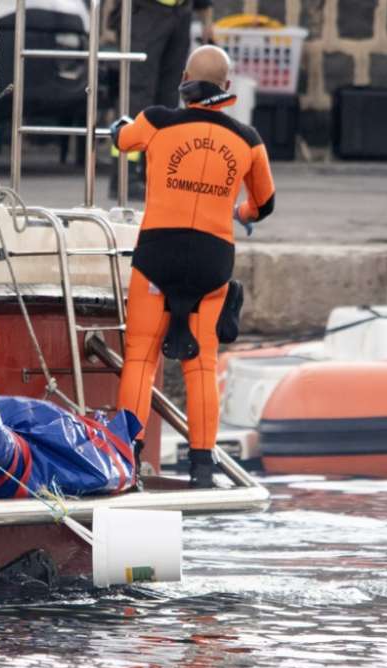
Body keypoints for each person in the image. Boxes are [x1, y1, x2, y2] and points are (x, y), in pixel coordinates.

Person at [112, 45, 274, 488]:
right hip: (211, 260)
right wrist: (241, 214)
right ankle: (203, 466)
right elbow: (265, 203)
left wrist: (119, 129)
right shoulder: (248, 140)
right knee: (202, 363)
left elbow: (121, 140)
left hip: (157, 253)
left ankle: (128, 458)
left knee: (141, 357)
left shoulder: (157, 120)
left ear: (184, 78)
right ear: (227, 86)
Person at [102, 0, 214, 198]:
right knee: (136, 95)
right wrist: (107, 19)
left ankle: (157, 172)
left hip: (180, 13)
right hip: (144, 12)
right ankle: (125, 174)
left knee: (168, 99)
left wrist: (207, 19)